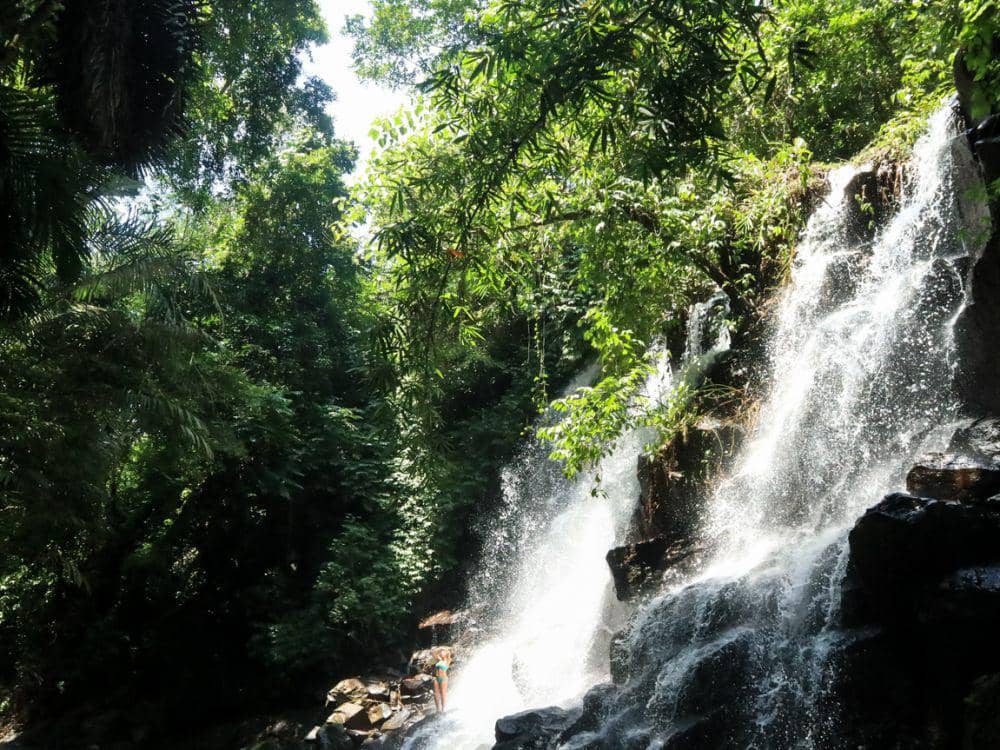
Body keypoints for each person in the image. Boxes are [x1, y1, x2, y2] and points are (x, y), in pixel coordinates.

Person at [432, 647, 451, 712]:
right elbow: (433, 653)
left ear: (446, 653)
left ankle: (443, 709)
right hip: (436, 678)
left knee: (443, 694)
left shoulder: (448, 660)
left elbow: (448, 653)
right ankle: (438, 709)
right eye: (440, 652)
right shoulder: (438, 660)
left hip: (444, 678)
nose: (441, 653)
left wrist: (445, 650)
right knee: (435, 694)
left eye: (443, 652)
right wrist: (441, 648)